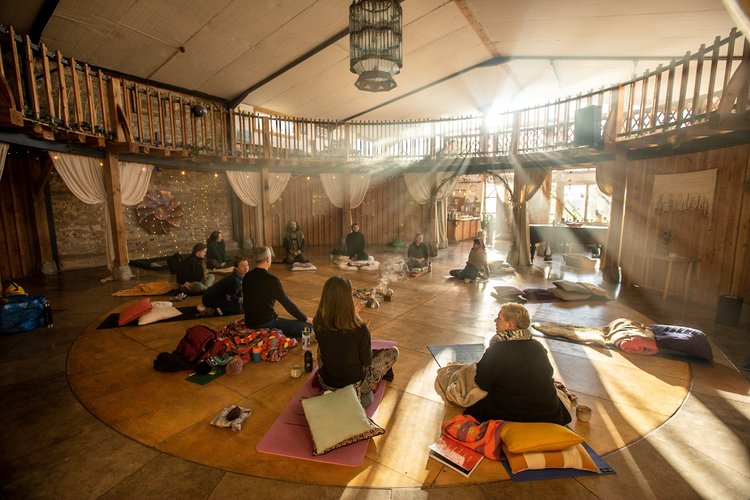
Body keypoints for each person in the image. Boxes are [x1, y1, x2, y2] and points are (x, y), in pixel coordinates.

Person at [464, 303, 572, 425]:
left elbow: (482, 383)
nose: (495, 320)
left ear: (510, 324)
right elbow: (547, 374)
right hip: (547, 414)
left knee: (475, 403)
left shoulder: (497, 349)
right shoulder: (537, 347)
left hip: (512, 414)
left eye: (499, 318)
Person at [313, 275, 399, 407]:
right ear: (348, 300)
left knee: (321, 347)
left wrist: (353, 316)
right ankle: (354, 400)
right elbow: (366, 362)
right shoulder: (360, 328)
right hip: (354, 385)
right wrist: (365, 335)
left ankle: (333, 398)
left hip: (327, 382)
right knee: (393, 352)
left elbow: (337, 340)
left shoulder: (318, 321)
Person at [242, 246, 312, 338]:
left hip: (250, 322)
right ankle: (275, 333)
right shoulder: (272, 280)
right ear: (268, 259)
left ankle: (276, 333)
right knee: (307, 327)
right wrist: (305, 318)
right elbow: (286, 303)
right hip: (266, 323)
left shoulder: (247, 276)